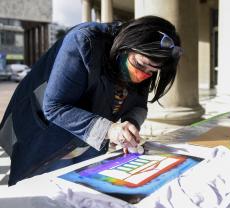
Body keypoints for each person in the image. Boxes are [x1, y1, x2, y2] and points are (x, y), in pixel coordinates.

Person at [0, 16, 182, 185]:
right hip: (48, 139)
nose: (144, 75)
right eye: (141, 65)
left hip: (90, 147)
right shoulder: (84, 40)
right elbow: (55, 106)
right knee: (40, 197)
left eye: (152, 71)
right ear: (127, 45)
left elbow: (138, 105)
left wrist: (130, 123)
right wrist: (110, 129)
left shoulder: (147, 60)